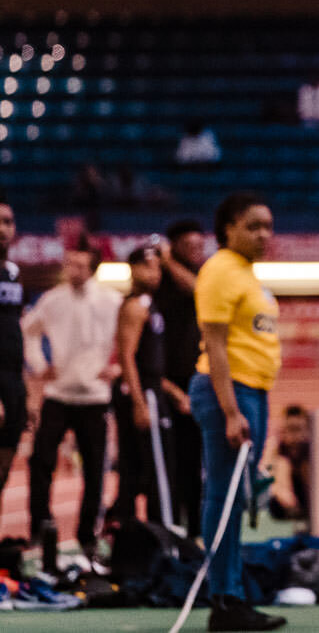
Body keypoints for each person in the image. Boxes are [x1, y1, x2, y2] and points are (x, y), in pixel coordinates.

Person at [190, 192, 286, 631]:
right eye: (253, 226)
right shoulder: (221, 271)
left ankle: (233, 593)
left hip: (253, 391)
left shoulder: (248, 274)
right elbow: (215, 343)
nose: (263, 234)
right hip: (228, 391)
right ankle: (224, 601)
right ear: (228, 228)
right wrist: (231, 411)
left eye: (267, 225)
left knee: (238, 495)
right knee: (224, 497)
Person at [22, 235, 122, 563]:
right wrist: (38, 365)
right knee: (40, 461)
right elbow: (28, 331)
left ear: (93, 267)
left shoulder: (112, 301)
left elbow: (134, 335)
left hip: (94, 397)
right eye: (69, 264)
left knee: (95, 469)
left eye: (80, 264)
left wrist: (118, 366)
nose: (73, 270)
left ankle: (86, 536)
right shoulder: (52, 300)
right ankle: (40, 526)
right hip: (58, 394)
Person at [110, 244, 184, 531]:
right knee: (160, 471)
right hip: (144, 396)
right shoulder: (135, 306)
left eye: (158, 267)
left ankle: (133, 536)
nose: (155, 273)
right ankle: (168, 535)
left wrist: (175, 393)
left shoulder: (149, 305)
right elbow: (126, 357)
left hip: (151, 391)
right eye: (149, 266)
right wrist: (141, 403)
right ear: (134, 268)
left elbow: (147, 365)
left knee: (134, 470)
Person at [156, 219, 206, 539]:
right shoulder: (158, 281)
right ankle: (167, 527)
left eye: (200, 246)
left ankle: (196, 531)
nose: (197, 252)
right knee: (165, 464)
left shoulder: (201, 278)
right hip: (163, 383)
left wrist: (168, 260)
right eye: (190, 246)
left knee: (194, 461)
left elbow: (197, 289)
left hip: (195, 381)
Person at [0, 198, 24, 522]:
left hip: (13, 381)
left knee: (4, 469)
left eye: (8, 221)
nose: (3, 229)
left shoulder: (14, 273)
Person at [268, 405, 311, 522]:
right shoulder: (280, 452)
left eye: (298, 429)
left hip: (306, 500)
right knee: (282, 465)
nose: (294, 437)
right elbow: (269, 478)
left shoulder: (311, 453)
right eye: (289, 430)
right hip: (285, 505)